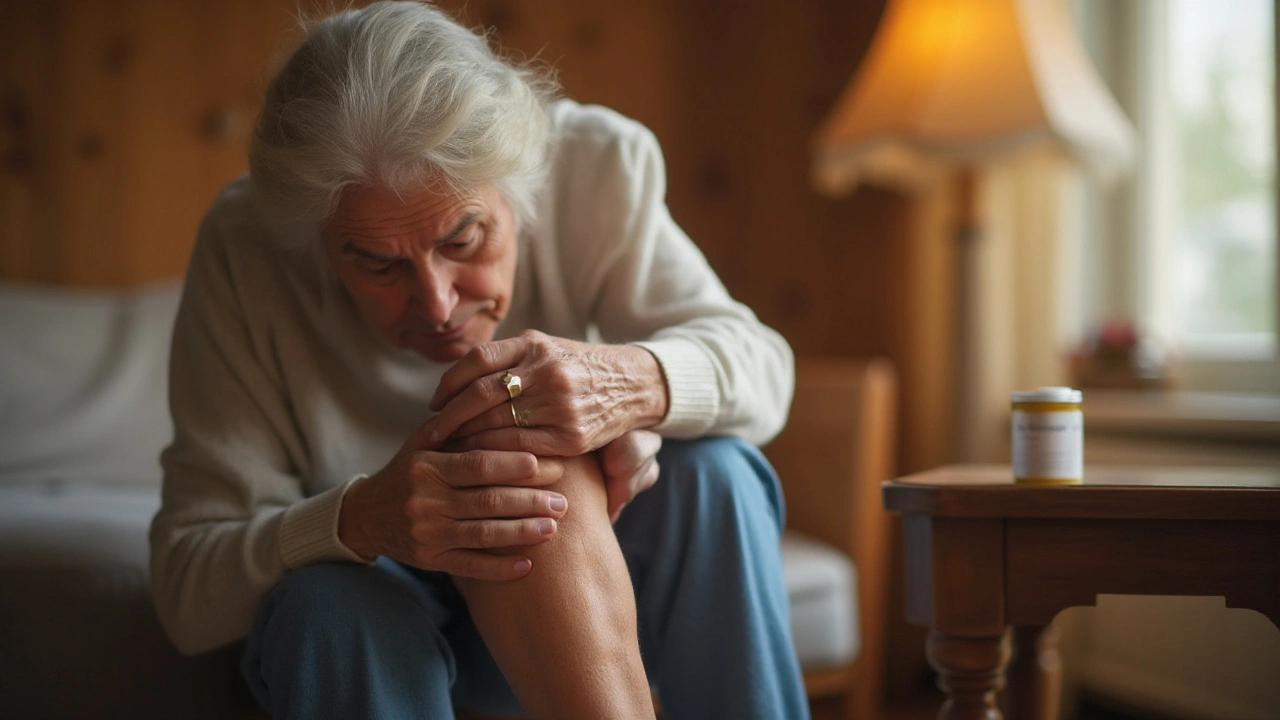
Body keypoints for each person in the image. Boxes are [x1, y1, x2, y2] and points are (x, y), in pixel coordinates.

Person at [148, 2, 807, 718]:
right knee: (326, 606)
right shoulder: (247, 248)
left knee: (716, 475)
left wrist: (625, 387)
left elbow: (766, 370)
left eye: (464, 242)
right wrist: (362, 520)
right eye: (375, 263)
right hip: (380, 608)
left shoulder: (591, 165)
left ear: (521, 193)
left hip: (592, 593)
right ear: (315, 243)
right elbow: (187, 588)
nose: (435, 304)